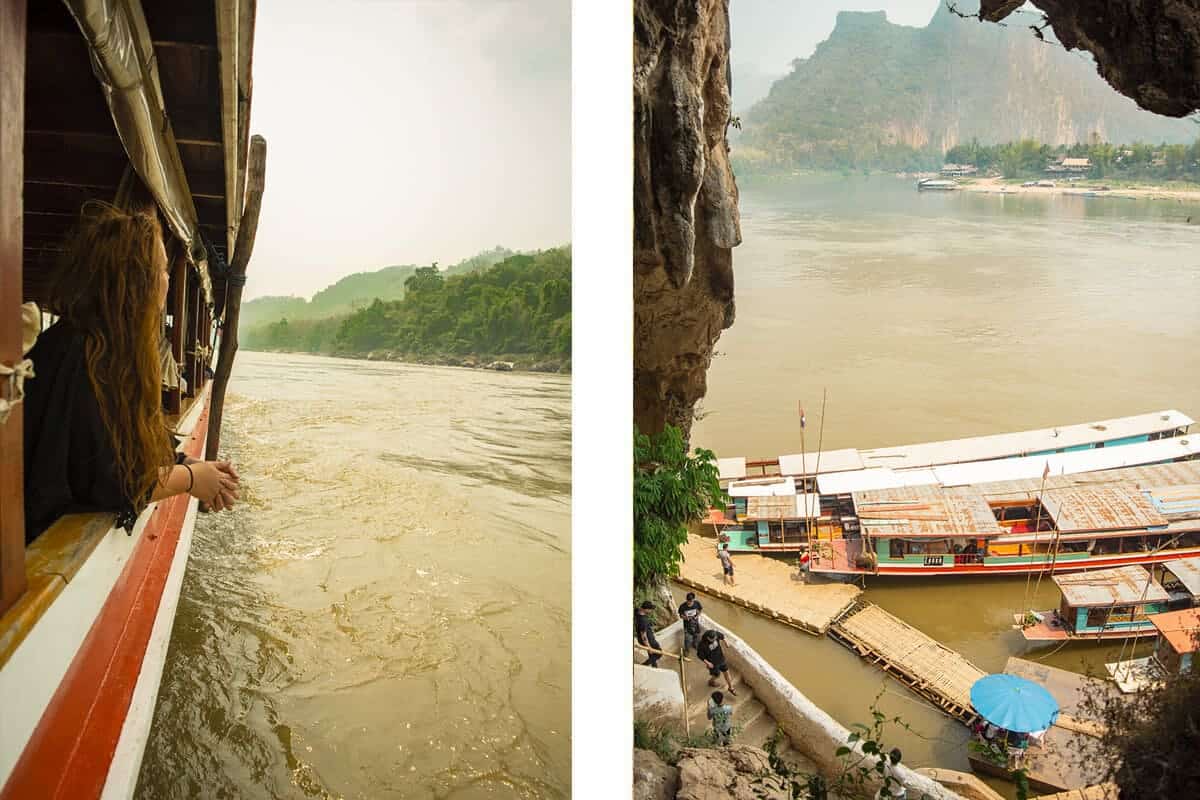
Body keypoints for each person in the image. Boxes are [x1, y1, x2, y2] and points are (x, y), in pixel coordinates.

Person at [23, 203, 240, 543]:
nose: (168, 279)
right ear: (135, 280)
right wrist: (191, 479)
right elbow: (108, 481)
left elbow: (129, 447)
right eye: (162, 269)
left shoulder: (102, 348)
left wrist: (192, 463)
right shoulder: (80, 356)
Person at [697, 629, 735, 694]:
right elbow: (700, 655)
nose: (715, 640)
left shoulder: (715, 634)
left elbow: (722, 636)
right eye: (713, 639)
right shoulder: (702, 645)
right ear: (708, 638)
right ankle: (711, 682)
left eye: (715, 638)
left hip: (721, 658)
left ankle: (731, 688)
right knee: (717, 675)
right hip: (712, 663)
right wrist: (708, 663)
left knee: (726, 672)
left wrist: (725, 642)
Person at [635, 600, 661, 667]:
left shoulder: (637, 612)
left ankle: (654, 666)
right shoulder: (643, 621)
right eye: (650, 609)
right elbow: (644, 636)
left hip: (642, 639)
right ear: (646, 609)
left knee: (652, 655)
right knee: (659, 653)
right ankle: (643, 665)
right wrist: (648, 647)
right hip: (649, 640)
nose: (651, 611)